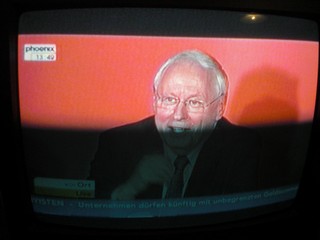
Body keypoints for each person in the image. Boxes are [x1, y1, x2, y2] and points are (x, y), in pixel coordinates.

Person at [88, 50, 262, 200]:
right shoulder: (117, 144)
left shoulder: (244, 149)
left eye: (194, 102)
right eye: (169, 100)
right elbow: (90, 210)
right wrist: (134, 184)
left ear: (219, 108)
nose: (178, 115)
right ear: (155, 101)